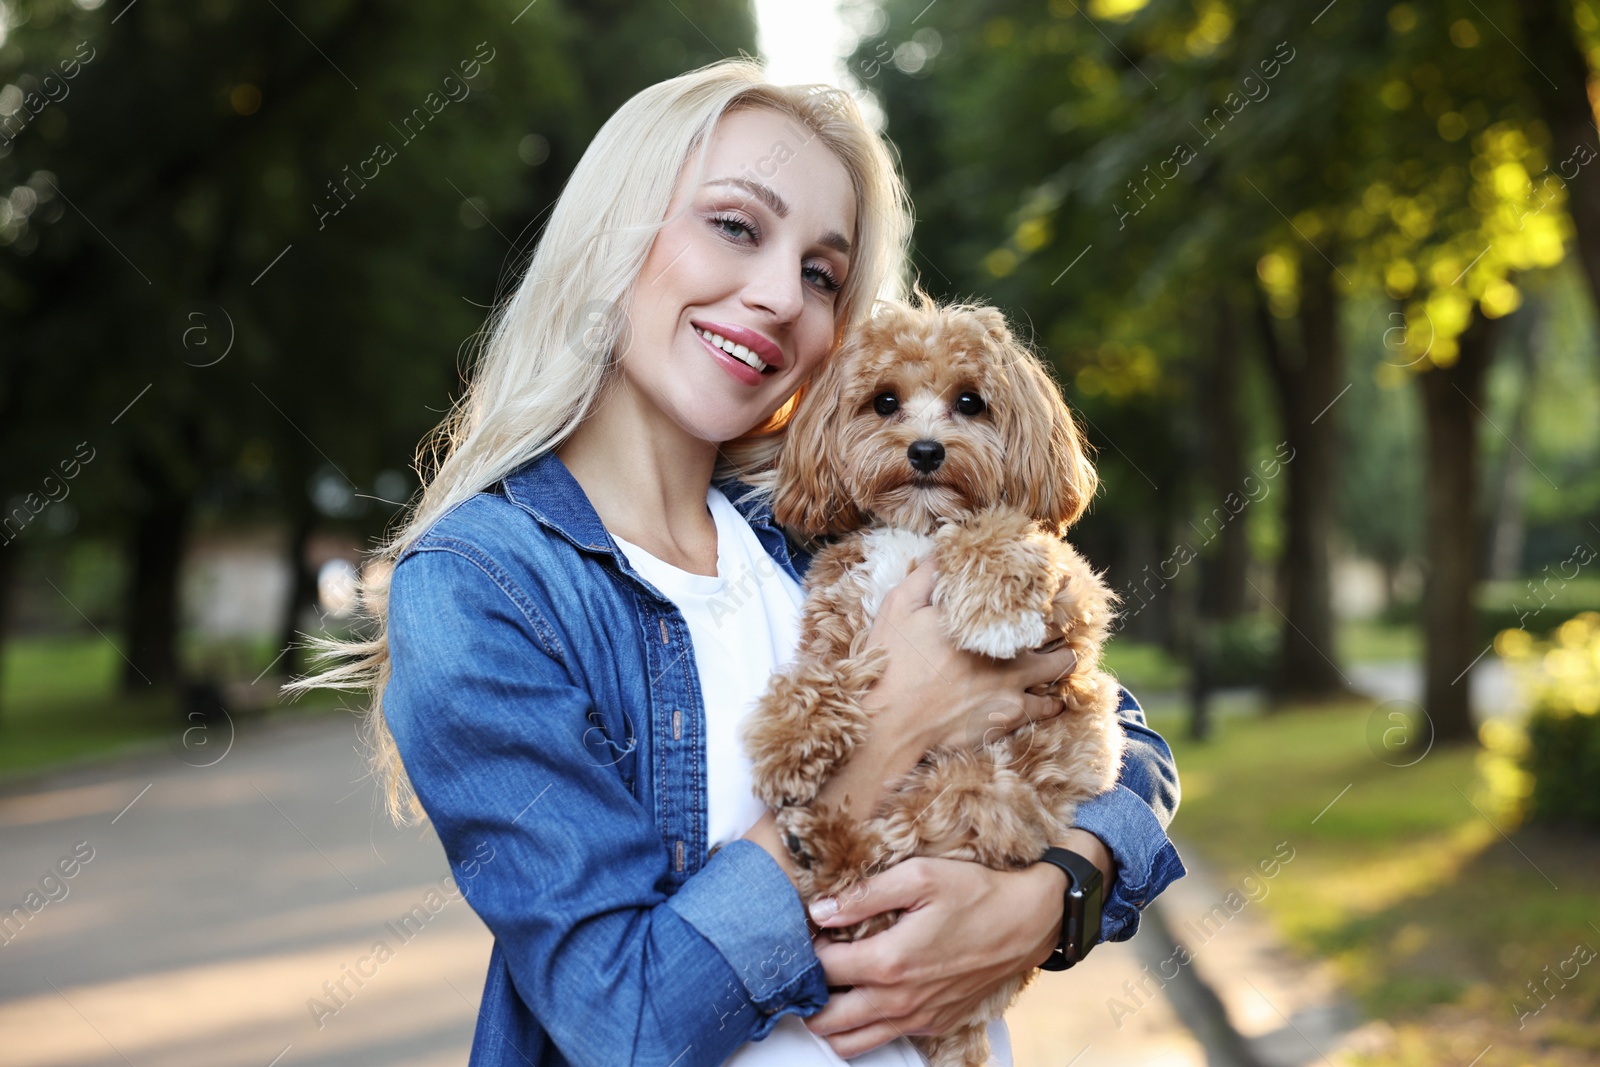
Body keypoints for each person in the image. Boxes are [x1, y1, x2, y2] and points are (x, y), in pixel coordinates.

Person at [292, 58, 1184, 1067]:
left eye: (820, 273)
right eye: (735, 226)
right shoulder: (484, 587)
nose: (776, 297)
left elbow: (1123, 736)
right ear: (615, 236)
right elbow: (624, 1018)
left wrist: (1048, 897)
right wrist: (886, 733)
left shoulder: (823, 528)